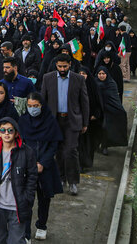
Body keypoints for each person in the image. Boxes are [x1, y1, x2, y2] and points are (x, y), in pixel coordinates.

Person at [0, 117, 37, 244]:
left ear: (16, 133)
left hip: (17, 206)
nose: (6, 133)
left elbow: (32, 177)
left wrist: (27, 198)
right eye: (3, 130)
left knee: (16, 240)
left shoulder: (27, 152)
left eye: (10, 130)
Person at [41, 53, 89, 196]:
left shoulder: (78, 79)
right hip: (54, 121)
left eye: (65, 66)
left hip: (72, 121)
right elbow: (43, 101)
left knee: (71, 151)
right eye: (60, 66)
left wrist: (85, 123)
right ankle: (61, 178)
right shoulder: (47, 78)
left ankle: (73, 182)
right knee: (58, 152)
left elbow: (84, 102)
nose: (62, 69)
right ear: (56, 65)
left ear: (70, 65)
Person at [18, 92, 63, 241]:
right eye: (29, 106)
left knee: (44, 199)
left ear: (41, 106)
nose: (32, 109)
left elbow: (53, 145)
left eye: (35, 106)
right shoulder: (23, 121)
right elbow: (20, 144)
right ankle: (25, 233)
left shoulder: (50, 121)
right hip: (27, 167)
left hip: (46, 167)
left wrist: (43, 163)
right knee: (25, 201)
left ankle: (42, 225)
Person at [95, 66, 128, 154]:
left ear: (107, 74)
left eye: (103, 74)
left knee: (105, 127)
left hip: (109, 110)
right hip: (97, 111)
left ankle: (105, 146)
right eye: (99, 74)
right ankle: (97, 145)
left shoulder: (111, 84)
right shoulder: (94, 84)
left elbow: (114, 98)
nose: (101, 76)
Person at [78, 67, 104, 169]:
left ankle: (86, 163)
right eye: (79, 73)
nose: (81, 75)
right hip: (78, 119)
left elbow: (99, 103)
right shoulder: (75, 86)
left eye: (83, 74)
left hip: (90, 122)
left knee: (89, 144)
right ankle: (79, 165)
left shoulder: (93, 86)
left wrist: (95, 115)